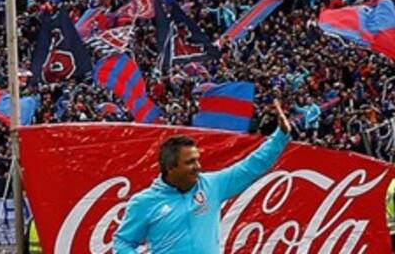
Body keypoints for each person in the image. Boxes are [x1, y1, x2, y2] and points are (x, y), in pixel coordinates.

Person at [113, 100, 291, 253]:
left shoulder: (211, 185)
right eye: (190, 162)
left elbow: (251, 166)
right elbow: (122, 242)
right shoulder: (144, 202)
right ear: (170, 167)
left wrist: (280, 136)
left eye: (197, 160)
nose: (198, 167)